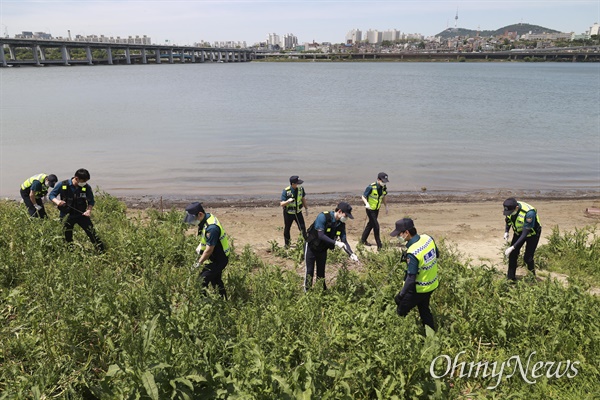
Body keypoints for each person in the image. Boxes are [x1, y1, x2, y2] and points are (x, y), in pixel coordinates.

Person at [390, 218, 439, 331]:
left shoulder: (412, 253)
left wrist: (400, 296)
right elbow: (437, 255)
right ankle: (431, 336)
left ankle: (400, 336)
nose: (398, 237)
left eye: (399, 234)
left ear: (406, 233)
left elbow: (411, 279)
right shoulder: (428, 239)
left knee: (401, 312)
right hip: (431, 285)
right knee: (424, 310)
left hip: (418, 288)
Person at [304, 201, 359, 291]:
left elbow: (344, 241)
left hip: (322, 249)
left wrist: (351, 254)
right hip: (311, 247)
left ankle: (321, 293)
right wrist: (336, 243)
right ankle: (307, 293)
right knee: (309, 272)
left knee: (321, 273)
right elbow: (321, 235)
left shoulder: (340, 224)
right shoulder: (323, 217)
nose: (346, 218)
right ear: (340, 211)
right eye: (346, 216)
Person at [49, 168, 104, 252]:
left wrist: (88, 210)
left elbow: (91, 201)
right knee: (67, 235)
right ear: (76, 178)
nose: (84, 183)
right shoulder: (63, 185)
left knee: (92, 233)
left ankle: (101, 251)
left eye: (86, 181)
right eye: (83, 180)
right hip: (66, 215)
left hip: (81, 214)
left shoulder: (86, 187)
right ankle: (70, 253)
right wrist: (58, 201)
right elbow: (51, 195)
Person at [184, 202, 230, 298]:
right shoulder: (207, 218)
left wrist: (199, 262)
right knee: (216, 281)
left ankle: (204, 303)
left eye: (194, 218)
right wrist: (201, 245)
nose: (193, 221)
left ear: (200, 214)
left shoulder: (212, 228)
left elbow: (209, 250)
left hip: (219, 259)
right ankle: (223, 301)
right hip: (217, 257)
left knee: (201, 281)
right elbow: (207, 239)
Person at [502, 198, 542, 281]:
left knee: (527, 258)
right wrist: (506, 231)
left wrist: (513, 247)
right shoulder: (510, 207)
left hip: (532, 234)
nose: (509, 213)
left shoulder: (529, 213)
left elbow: (525, 234)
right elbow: (508, 220)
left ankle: (532, 277)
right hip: (518, 231)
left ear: (516, 208)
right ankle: (511, 278)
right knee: (513, 255)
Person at [360, 172, 389, 250]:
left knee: (371, 224)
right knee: (376, 226)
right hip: (370, 209)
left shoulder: (383, 187)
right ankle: (379, 245)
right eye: (382, 181)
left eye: (385, 181)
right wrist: (366, 204)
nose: (384, 183)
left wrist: (386, 206)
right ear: (378, 179)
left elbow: (384, 197)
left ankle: (362, 240)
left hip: (377, 209)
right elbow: (363, 196)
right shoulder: (371, 187)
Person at [280, 175, 308, 247]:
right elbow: (282, 204)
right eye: (297, 183)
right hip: (288, 213)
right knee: (287, 228)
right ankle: (287, 244)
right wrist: (288, 201)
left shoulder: (301, 189)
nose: (298, 184)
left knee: (302, 228)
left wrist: (306, 208)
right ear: (293, 184)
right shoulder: (286, 191)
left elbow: (303, 199)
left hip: (298, 212)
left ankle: (306, 243)